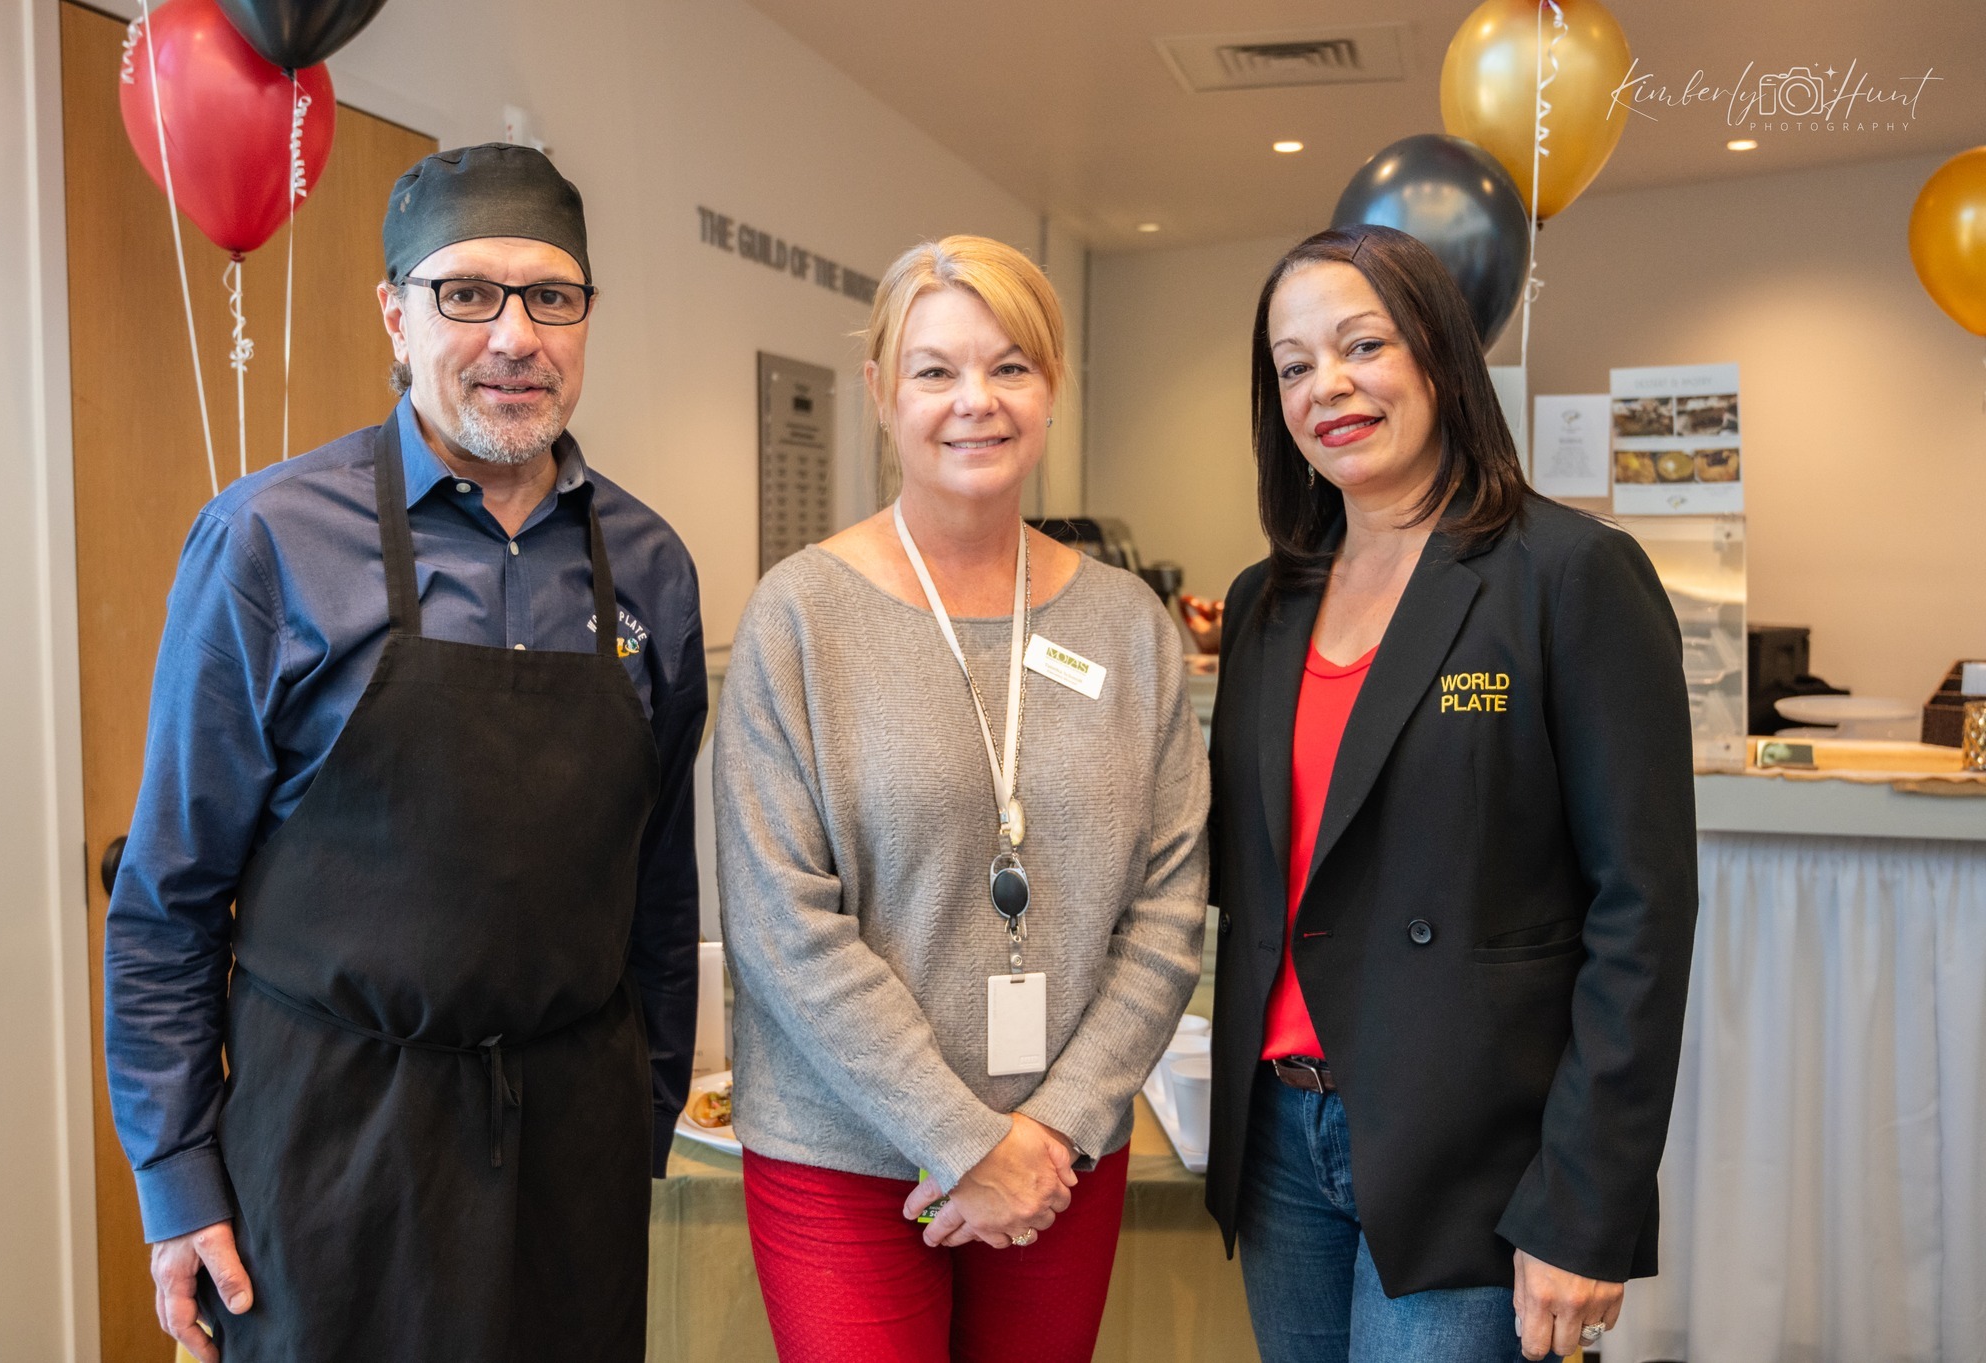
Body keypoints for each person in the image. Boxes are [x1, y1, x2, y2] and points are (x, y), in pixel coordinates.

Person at [103, 143, 707, 1362]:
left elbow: (655, 887)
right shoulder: (269, 541)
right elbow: (170, 898)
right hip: (328, 1151)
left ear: (586, 317)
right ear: (395, 312)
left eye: (551, 296)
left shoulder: (649, 565)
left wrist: (638, 1118)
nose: (514, 336)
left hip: (570, 1158)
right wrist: (176, 1178)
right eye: (467, 293)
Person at [1201, 223, 1698, 1363]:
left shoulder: (1567, 574)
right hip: (1280, 1141)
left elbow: (1641, 913)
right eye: (1291, 365)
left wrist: (1585, 1202)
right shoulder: (1265, 601)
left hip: (1470, 1148)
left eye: (1361, 345)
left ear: (1437, 354)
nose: (1326, 386)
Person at [713, 234, 1210, 1362]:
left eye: (1009, 366)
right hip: (841, 1153)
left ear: (1051, 388)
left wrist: (1049, 1131)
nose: (974, 400)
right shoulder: (799, 619)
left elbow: (1168, 910)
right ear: (881, 392)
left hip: (1058, 1154)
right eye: (934, 369)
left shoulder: (1130, 627)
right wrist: (963, 1138)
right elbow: (782, 926)